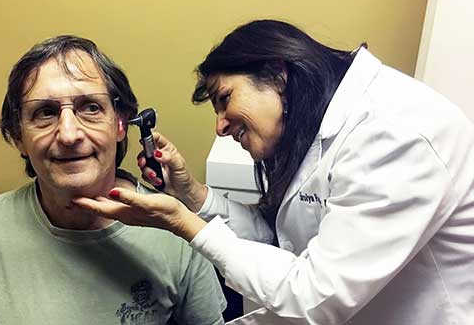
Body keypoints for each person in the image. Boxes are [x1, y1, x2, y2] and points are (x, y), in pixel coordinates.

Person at [73, 20, 474, 324]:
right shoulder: (319, 126)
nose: (221, 126)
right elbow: (283, 244)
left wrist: (184, 224)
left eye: (224, 100)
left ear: (277, 74)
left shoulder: (394, 133)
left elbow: (315, 295)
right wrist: (192, 195)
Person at [0, 35, 226, 325]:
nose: (68, 134)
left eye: (90, 108)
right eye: (45, 113)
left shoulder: (175, 231)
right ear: (18, 136)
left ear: (120, 124)